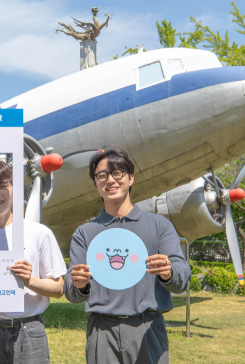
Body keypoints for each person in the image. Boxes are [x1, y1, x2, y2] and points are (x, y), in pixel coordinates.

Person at [64, 149, 191, 364]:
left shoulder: (159, 226)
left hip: (148, 328)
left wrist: (169, 273)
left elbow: (183, 278)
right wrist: (78, 284)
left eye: (118, 173)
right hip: (101, 332)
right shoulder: (85, 233)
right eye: (102, 175)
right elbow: (71, 291)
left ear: (131, 178)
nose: (110, 180)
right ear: (96, 184)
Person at [0, 159, 66, 364]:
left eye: (3, 186)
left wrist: (29, 280)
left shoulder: (39, 233)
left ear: (14, 190)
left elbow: (59, 288)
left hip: (30, 333)